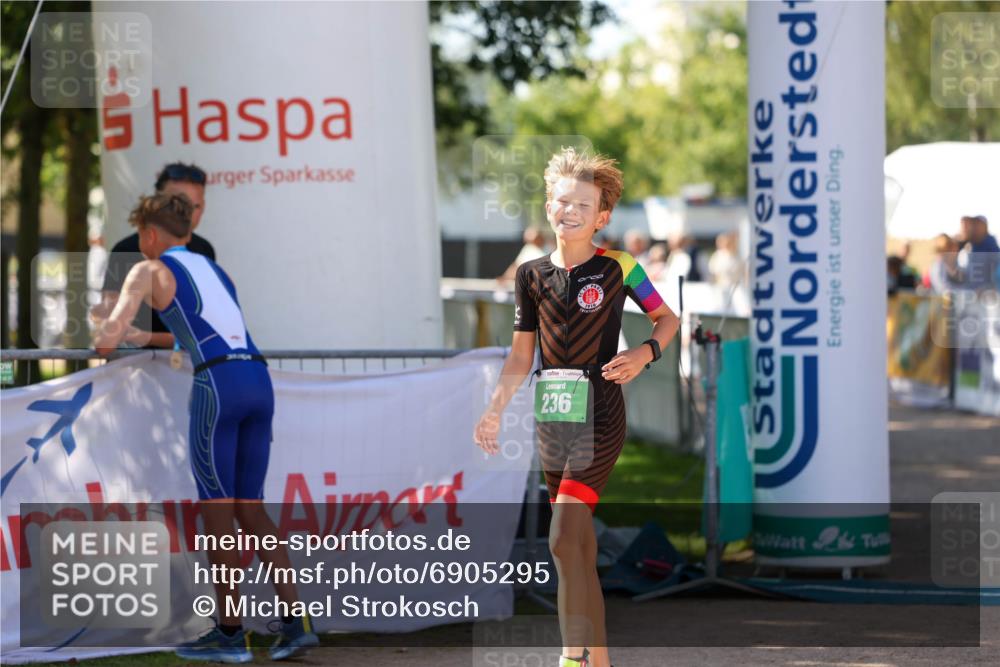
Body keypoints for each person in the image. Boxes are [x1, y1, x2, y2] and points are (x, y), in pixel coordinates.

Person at [473, 148, 679, 667]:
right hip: (553, 417)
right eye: (562, 200)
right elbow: (523, 355)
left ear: (601, 216)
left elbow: (668, 320)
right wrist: (494, 409)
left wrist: (643, 353)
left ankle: (570, 658)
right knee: (576, 549)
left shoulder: (620, 267)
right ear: (548, 206)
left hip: (602, 410)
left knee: (562, 534)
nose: (571, 210)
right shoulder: (530, 275)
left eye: (583, 204)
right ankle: (599, 660)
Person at [93, 193, 318, 663]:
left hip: (217, 384)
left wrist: (104, 330)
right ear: (188, 233)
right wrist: (143, 337)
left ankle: (231, 634)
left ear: (148, 236)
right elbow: (201, 327)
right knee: (252, 512)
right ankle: (296, 624)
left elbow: (106, 341)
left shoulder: (147, 269)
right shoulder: (216, 271)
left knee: (218, 516)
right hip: (257, 378)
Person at [93, 163, 215, 349]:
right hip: (136, 366)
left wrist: (142, 336)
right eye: (175, 204)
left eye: (193, 207)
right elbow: (109, 325)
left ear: (204, 207)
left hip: (193, 369)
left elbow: (204, 333)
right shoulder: (126, 251)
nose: (183, 214)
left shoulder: (204, 251)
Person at [955, 215, 999, 290]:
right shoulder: (966, 245)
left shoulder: (990, 244)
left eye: (967, 226)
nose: (964, 230)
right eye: (963, 227)